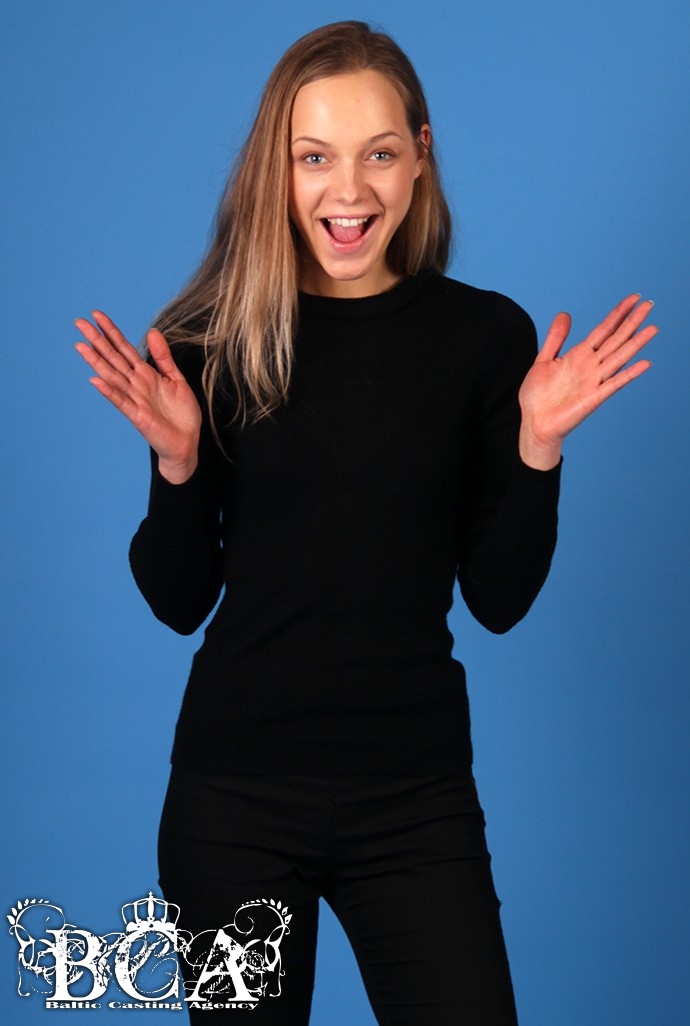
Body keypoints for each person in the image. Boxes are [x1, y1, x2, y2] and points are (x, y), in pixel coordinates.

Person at [74, 20, 656, 1026]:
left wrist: (538, 446)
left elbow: (498, 599)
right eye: (315, 157)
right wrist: (177, 464)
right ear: (277, 167)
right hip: (235, 803)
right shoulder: (208, 342)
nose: (349, 191)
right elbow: (178, 600)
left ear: (420, 156)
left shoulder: (484, 337)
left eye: (379, 153)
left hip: (417, 801)